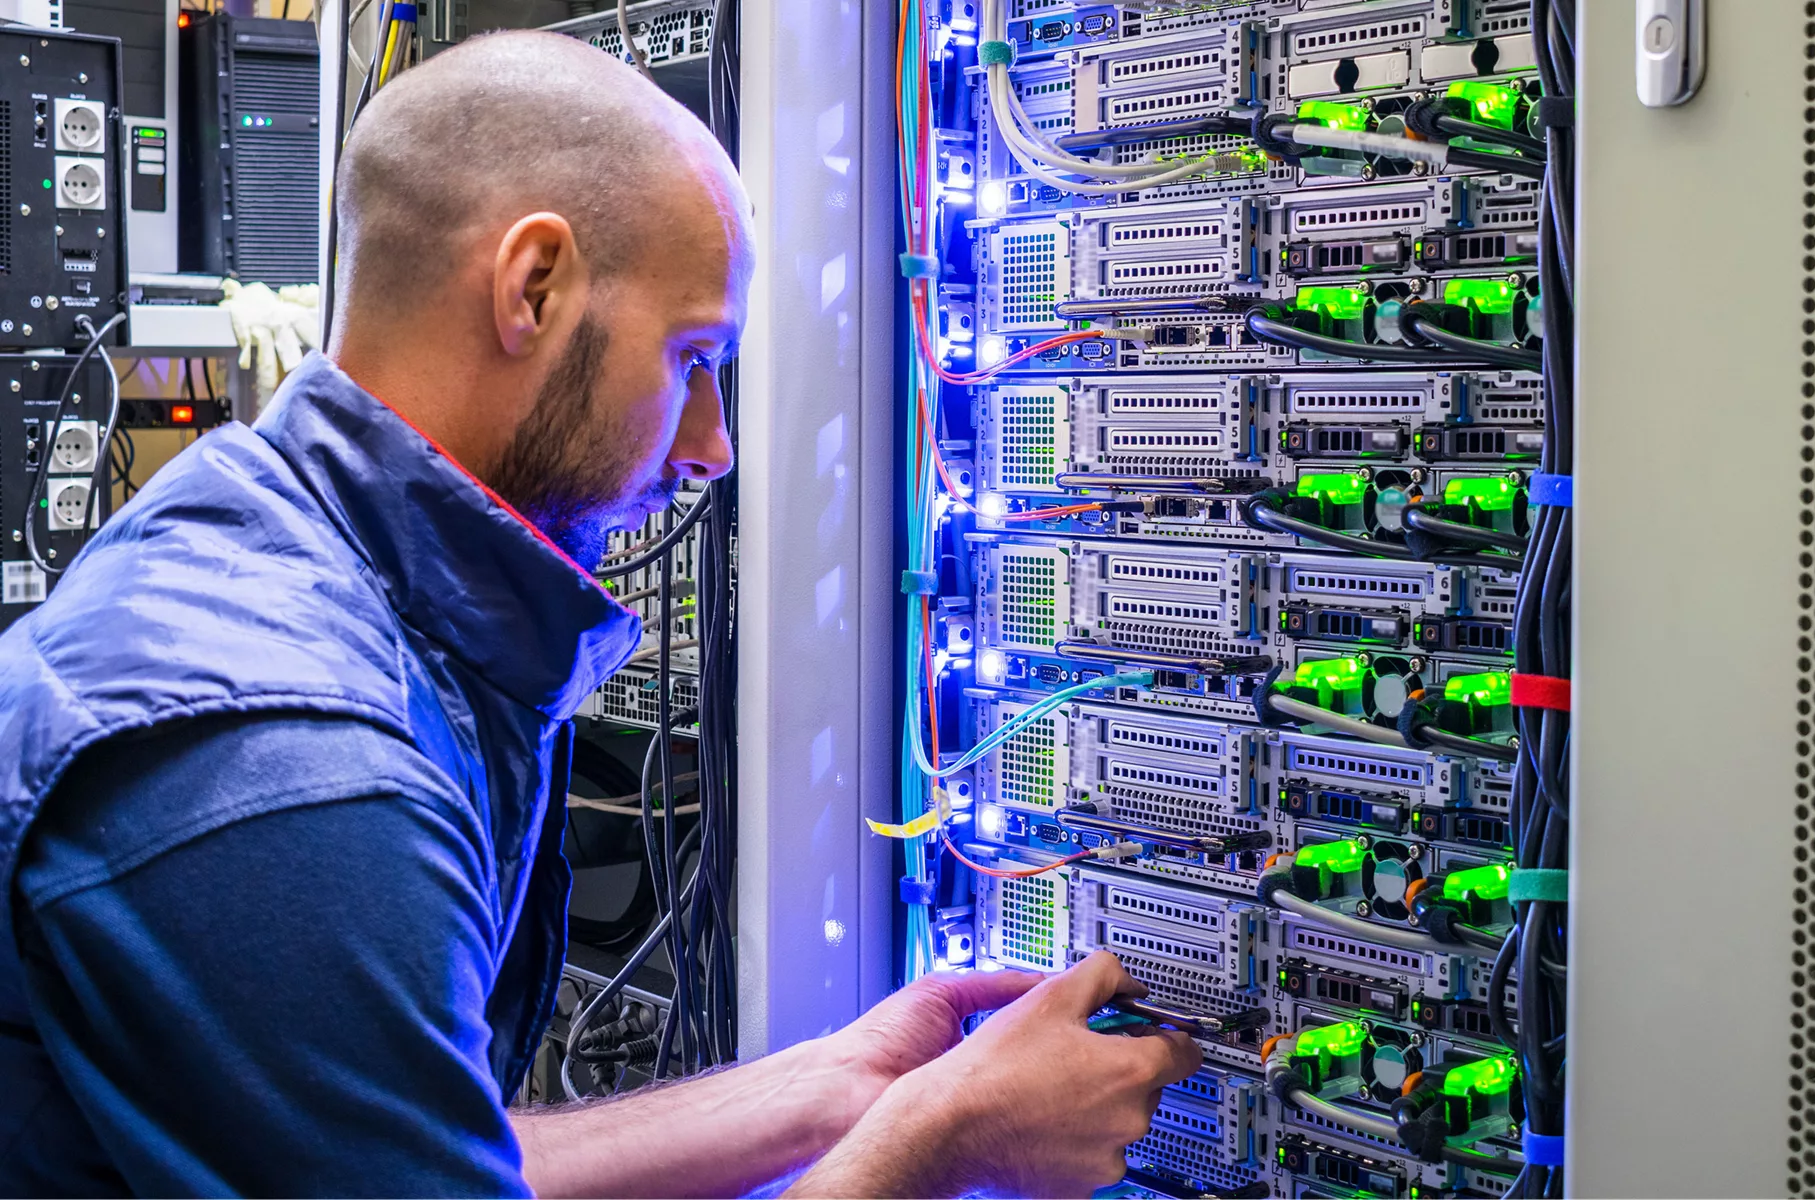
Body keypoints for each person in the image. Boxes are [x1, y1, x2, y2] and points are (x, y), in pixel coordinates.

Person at [0, 30, 1198, 1198]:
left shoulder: (272, 549)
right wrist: (947, 1143)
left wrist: (839, 1088)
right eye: (691, 358)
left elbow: (409, 1144)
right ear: (533, 286)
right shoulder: (292, 771)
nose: (711, 447)